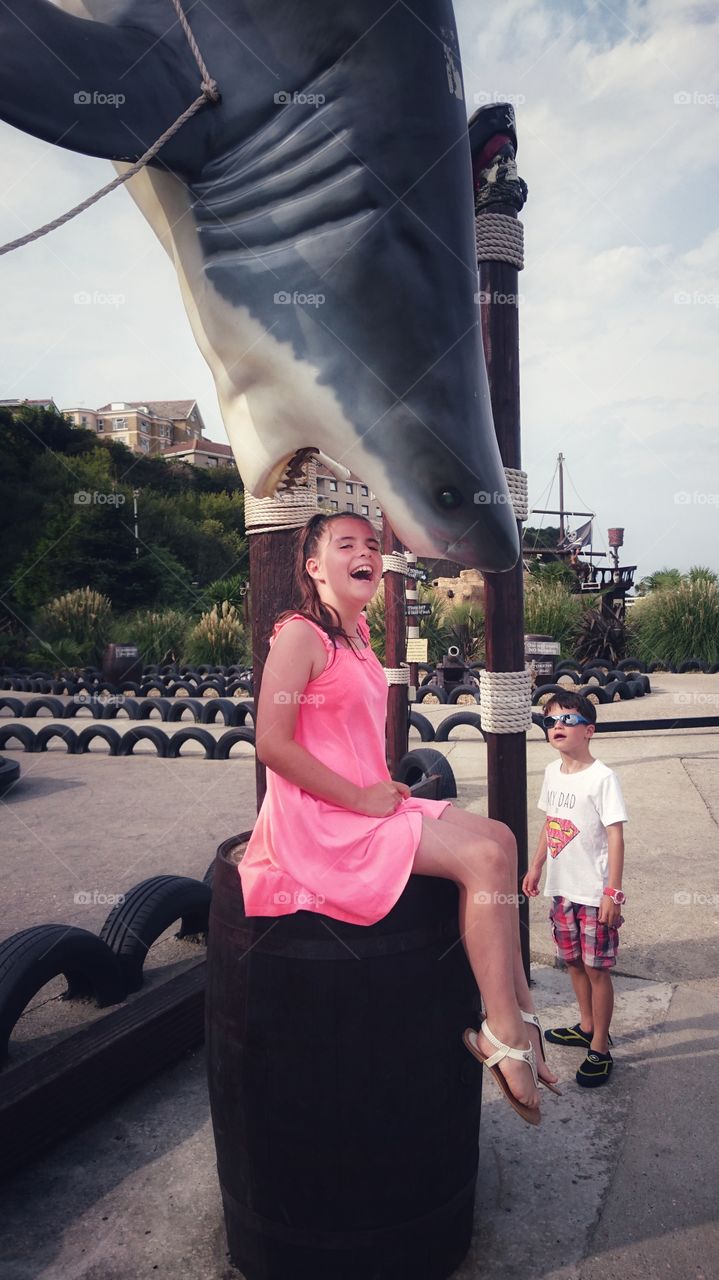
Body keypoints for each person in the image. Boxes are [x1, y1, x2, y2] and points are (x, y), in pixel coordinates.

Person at [239, 511, 560, 1126]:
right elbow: (273, 744)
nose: (365, 553)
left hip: (363, 801)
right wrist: (360, 799)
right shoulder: (300, 634)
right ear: (314, 567)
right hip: (322, 820)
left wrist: (376, 784)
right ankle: (502, 1035)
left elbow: (342, 736)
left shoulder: (356, 636)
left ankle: (520, 1013)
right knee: (487, 859)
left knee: (501, 836)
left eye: (371, 544)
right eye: (346, 544)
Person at [522, 690, 628, 1087]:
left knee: (597, 969)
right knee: (573, 962)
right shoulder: (552, 773)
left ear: (590, 730)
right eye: (551, 721)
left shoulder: (603, 779)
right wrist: (536, 866)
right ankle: (585, 1026)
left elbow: (616, 837)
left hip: (594, 893)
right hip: (562, 890)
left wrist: (612, 892)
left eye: (567, 719)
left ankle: (600, 1046)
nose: (557, 727)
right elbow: (552, 824)